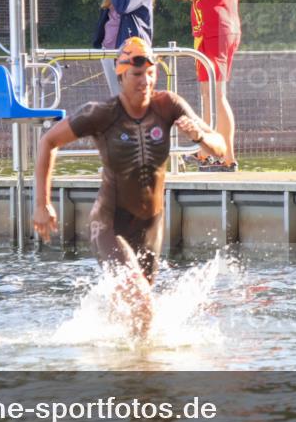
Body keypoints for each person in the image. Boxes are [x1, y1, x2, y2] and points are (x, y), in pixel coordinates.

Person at [33, 37, 226, 338]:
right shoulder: (102, 113)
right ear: (121, 75)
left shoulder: (169, 105)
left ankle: (123, 367)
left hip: (151, 227)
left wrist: (199, 137)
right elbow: (48, 142)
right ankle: (139, 375)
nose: (145, 81)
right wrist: (42, 203)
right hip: (110, 226)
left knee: (139, 316)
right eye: (137, 75)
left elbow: (220, 146)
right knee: (142, 304)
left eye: (150, 73)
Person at [174, 0, 242, 173]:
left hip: (212, 29)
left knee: (215, 95)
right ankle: (206, 153)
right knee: (209, 95)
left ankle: (226, 158)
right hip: (228, 26)